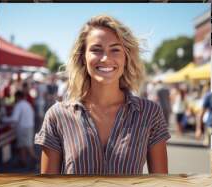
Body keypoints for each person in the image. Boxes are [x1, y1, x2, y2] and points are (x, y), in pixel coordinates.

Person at [35, 15, 170, 175]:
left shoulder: (149, 113)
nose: (106, 58)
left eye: (115, 50)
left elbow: (161, 186)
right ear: (83, 57)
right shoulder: (57, 116)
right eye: (96, 50)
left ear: (126, 57)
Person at [2, 91, 35, 168]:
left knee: (25, 146)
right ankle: (23, 162)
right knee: (25, 145)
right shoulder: (27, 104)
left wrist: (3, 119)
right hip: (29, 126)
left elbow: (14, 119)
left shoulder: (19, 105)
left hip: (23, 128)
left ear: (17, 97)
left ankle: (34, 160)